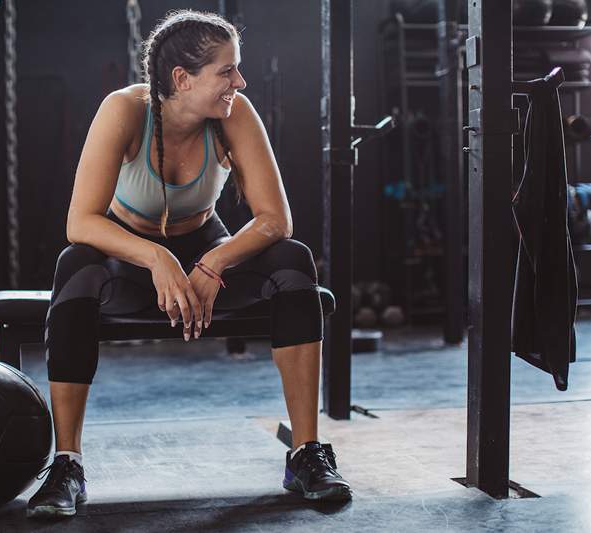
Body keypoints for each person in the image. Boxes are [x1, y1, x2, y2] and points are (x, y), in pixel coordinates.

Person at [26, 9, 351, 519]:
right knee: (76, 267)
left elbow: (274, 220)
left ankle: (306, 453)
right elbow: (81, 223)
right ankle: (67, 464)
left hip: (204, 250)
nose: (239, 82)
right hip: (128, 259)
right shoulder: (124, 111)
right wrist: (155, 256)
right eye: (226, 71)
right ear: (183, 78)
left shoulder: (234, 114)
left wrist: (212, 263)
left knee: (292, 262)